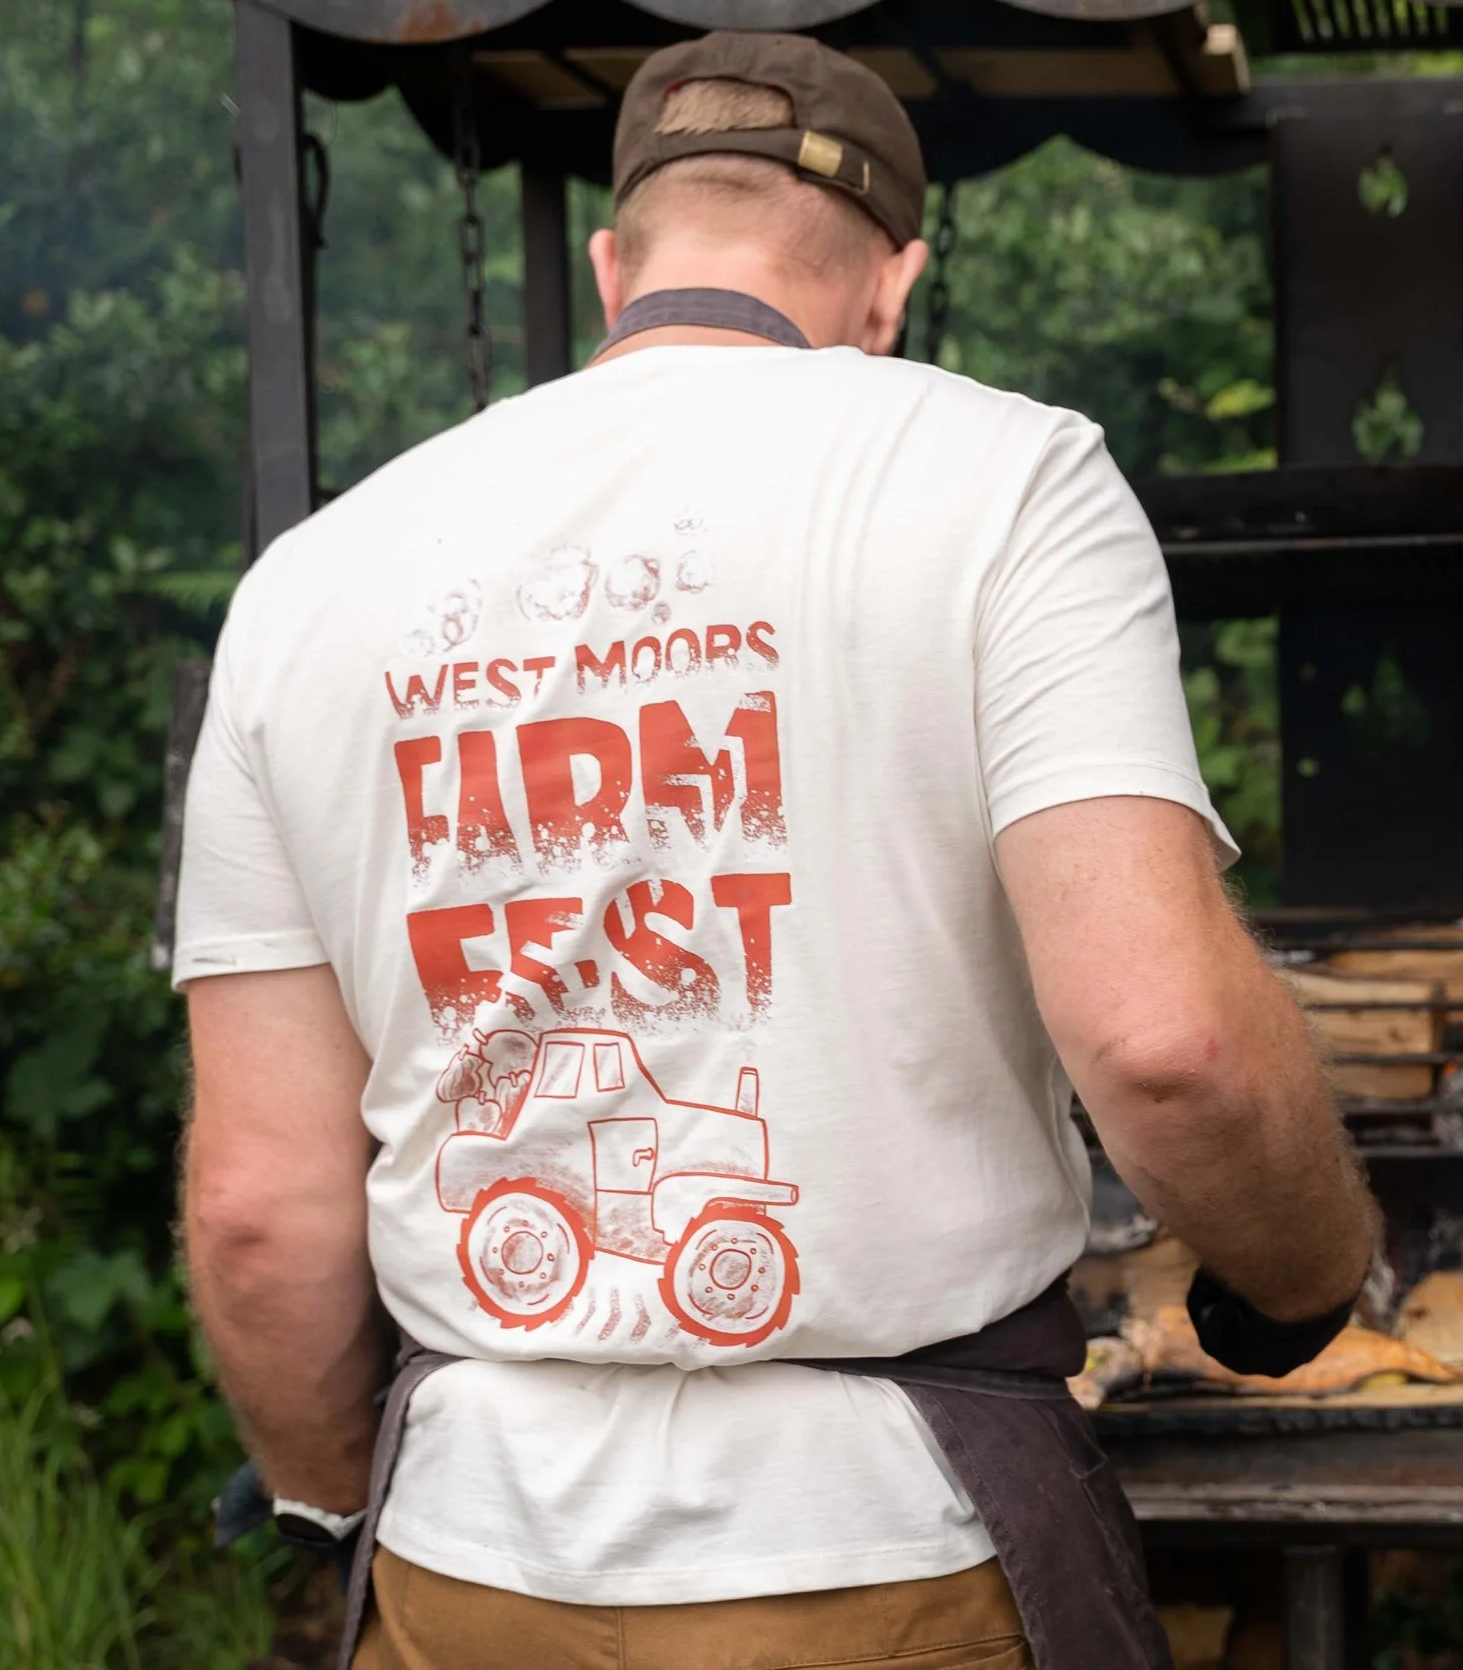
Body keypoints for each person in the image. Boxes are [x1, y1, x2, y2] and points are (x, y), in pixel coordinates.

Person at [176, 31, 1377, 1670]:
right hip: (887, 1564)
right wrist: (1309, 1274)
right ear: (895, 285)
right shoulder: (1003, 477)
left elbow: (258, 1205)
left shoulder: (308, 583)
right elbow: (1167, 1045)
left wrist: (349, 1505)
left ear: (617, 264)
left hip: (468, 1567)